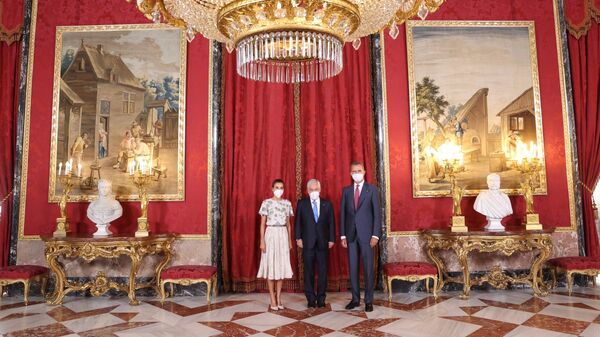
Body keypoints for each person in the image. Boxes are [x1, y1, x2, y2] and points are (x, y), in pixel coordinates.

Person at [340, 161, 381, 312]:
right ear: (350, 174)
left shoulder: (372, 190)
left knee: (368, 268)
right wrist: (343, 235)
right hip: (350, 235)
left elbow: (377, 214)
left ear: (364, 172)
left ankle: (368, 300)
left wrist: (375, 235)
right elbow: (343, 214)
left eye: (359, 170)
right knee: (353, 268)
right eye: (353, 171)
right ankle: (355, 299)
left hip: (367, 235)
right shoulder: (346, 191)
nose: (356, 173)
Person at [295, 179, 335, 308]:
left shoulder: (327, 204)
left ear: (320, 190)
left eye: (316, 189)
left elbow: (331, 223)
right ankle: (310, 298)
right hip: (308, 242)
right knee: (308, 272)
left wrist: (331, 239)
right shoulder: (302, 204)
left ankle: (321, 298)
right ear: (307, 191)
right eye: (311, 190)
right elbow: (297, 223)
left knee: (323, 271)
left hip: (323, 242)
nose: (314, 192)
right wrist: (298, 238)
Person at [257, 179, 294, 311]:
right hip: (270, 234)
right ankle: (272, 298)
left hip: (282, 234)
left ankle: (279, 298)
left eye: (281, 187)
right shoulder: (266, 203)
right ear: (272, 188)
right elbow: (262, 224)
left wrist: (289, 240)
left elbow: (289, 225)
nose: (279, 189)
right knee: (271, 266)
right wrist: (262, 241)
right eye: (277, 187)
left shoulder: (287, 204)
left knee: (280, 267)